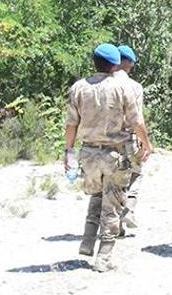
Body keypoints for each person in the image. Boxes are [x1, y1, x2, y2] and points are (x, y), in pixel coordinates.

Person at [64, 43, 153, 272]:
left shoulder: (78, 88)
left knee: (95, 195)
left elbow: (71, 124)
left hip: (88, 153)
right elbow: (136, 121)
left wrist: (69, 152)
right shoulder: (122, 87)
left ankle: (87, 238)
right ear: (116, 64)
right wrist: (146, 143)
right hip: (115, 153)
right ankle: (104, 257)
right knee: (112, 204)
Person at [113, 45, 145, 233]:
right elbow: (137, 118)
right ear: (129, 63)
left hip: (106, 139)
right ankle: (129, 209)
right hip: (128, 138)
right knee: (137, 172)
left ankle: (115, 223)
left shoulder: (101, 84)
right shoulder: (135, 87)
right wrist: (144, 142)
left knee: (112, 180)